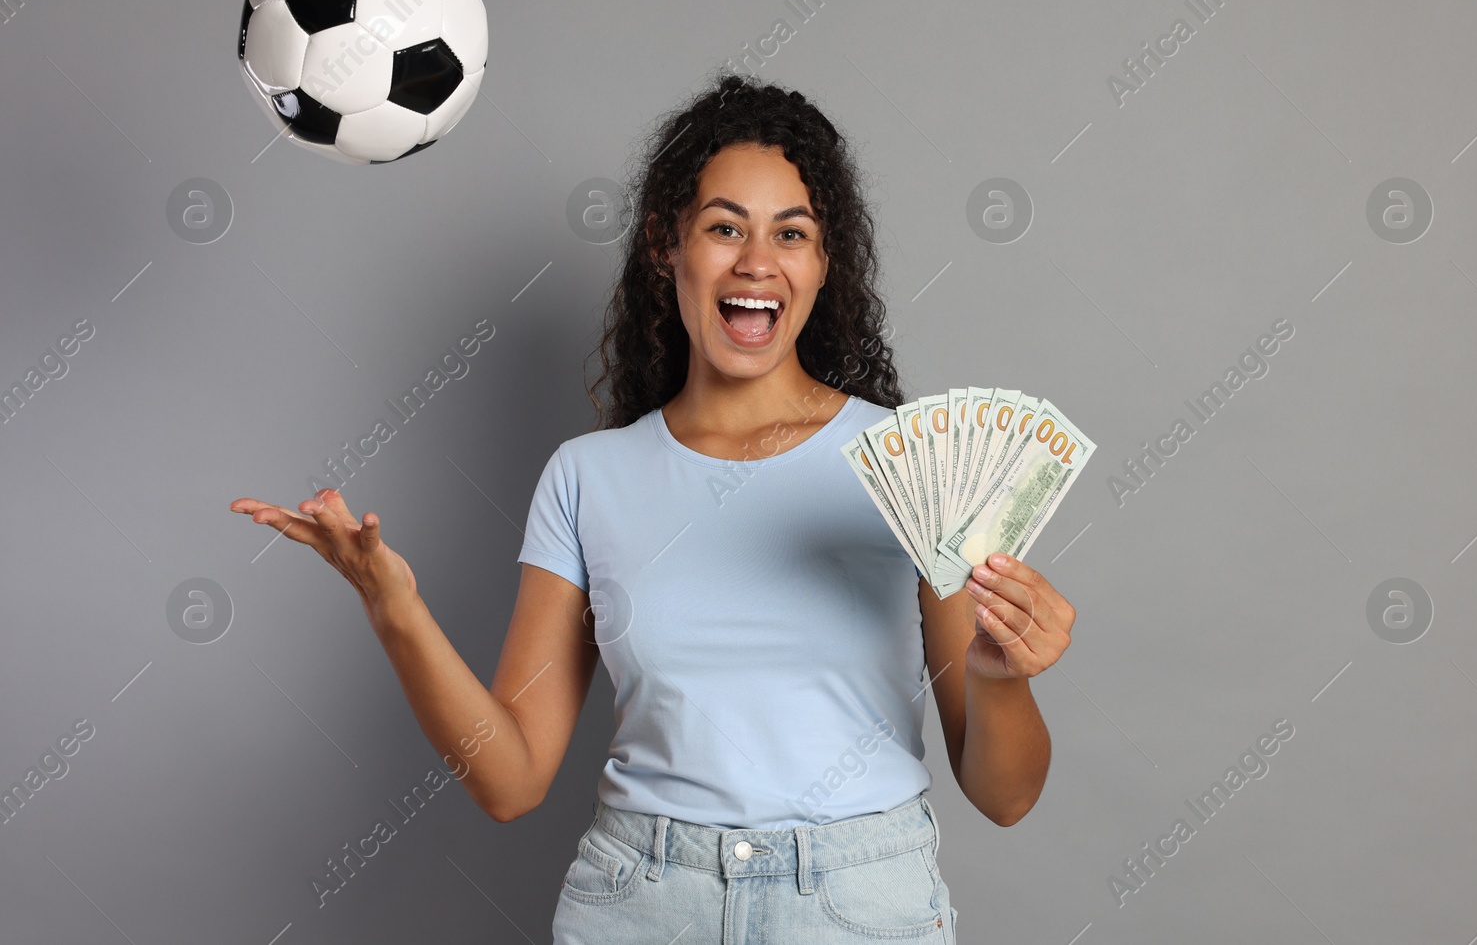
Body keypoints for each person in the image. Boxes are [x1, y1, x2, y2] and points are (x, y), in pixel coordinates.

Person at [229, 73, 1077, 943]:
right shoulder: (587, 477)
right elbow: (511, 779)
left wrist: (1000, 673)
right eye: (723, 227)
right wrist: (391, 605)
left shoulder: (914, 466)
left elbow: (1006, 797)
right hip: (643, 905)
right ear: (664, 246)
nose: (756, 261)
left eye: (792, 232)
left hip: (859, 907)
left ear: (824, 263)